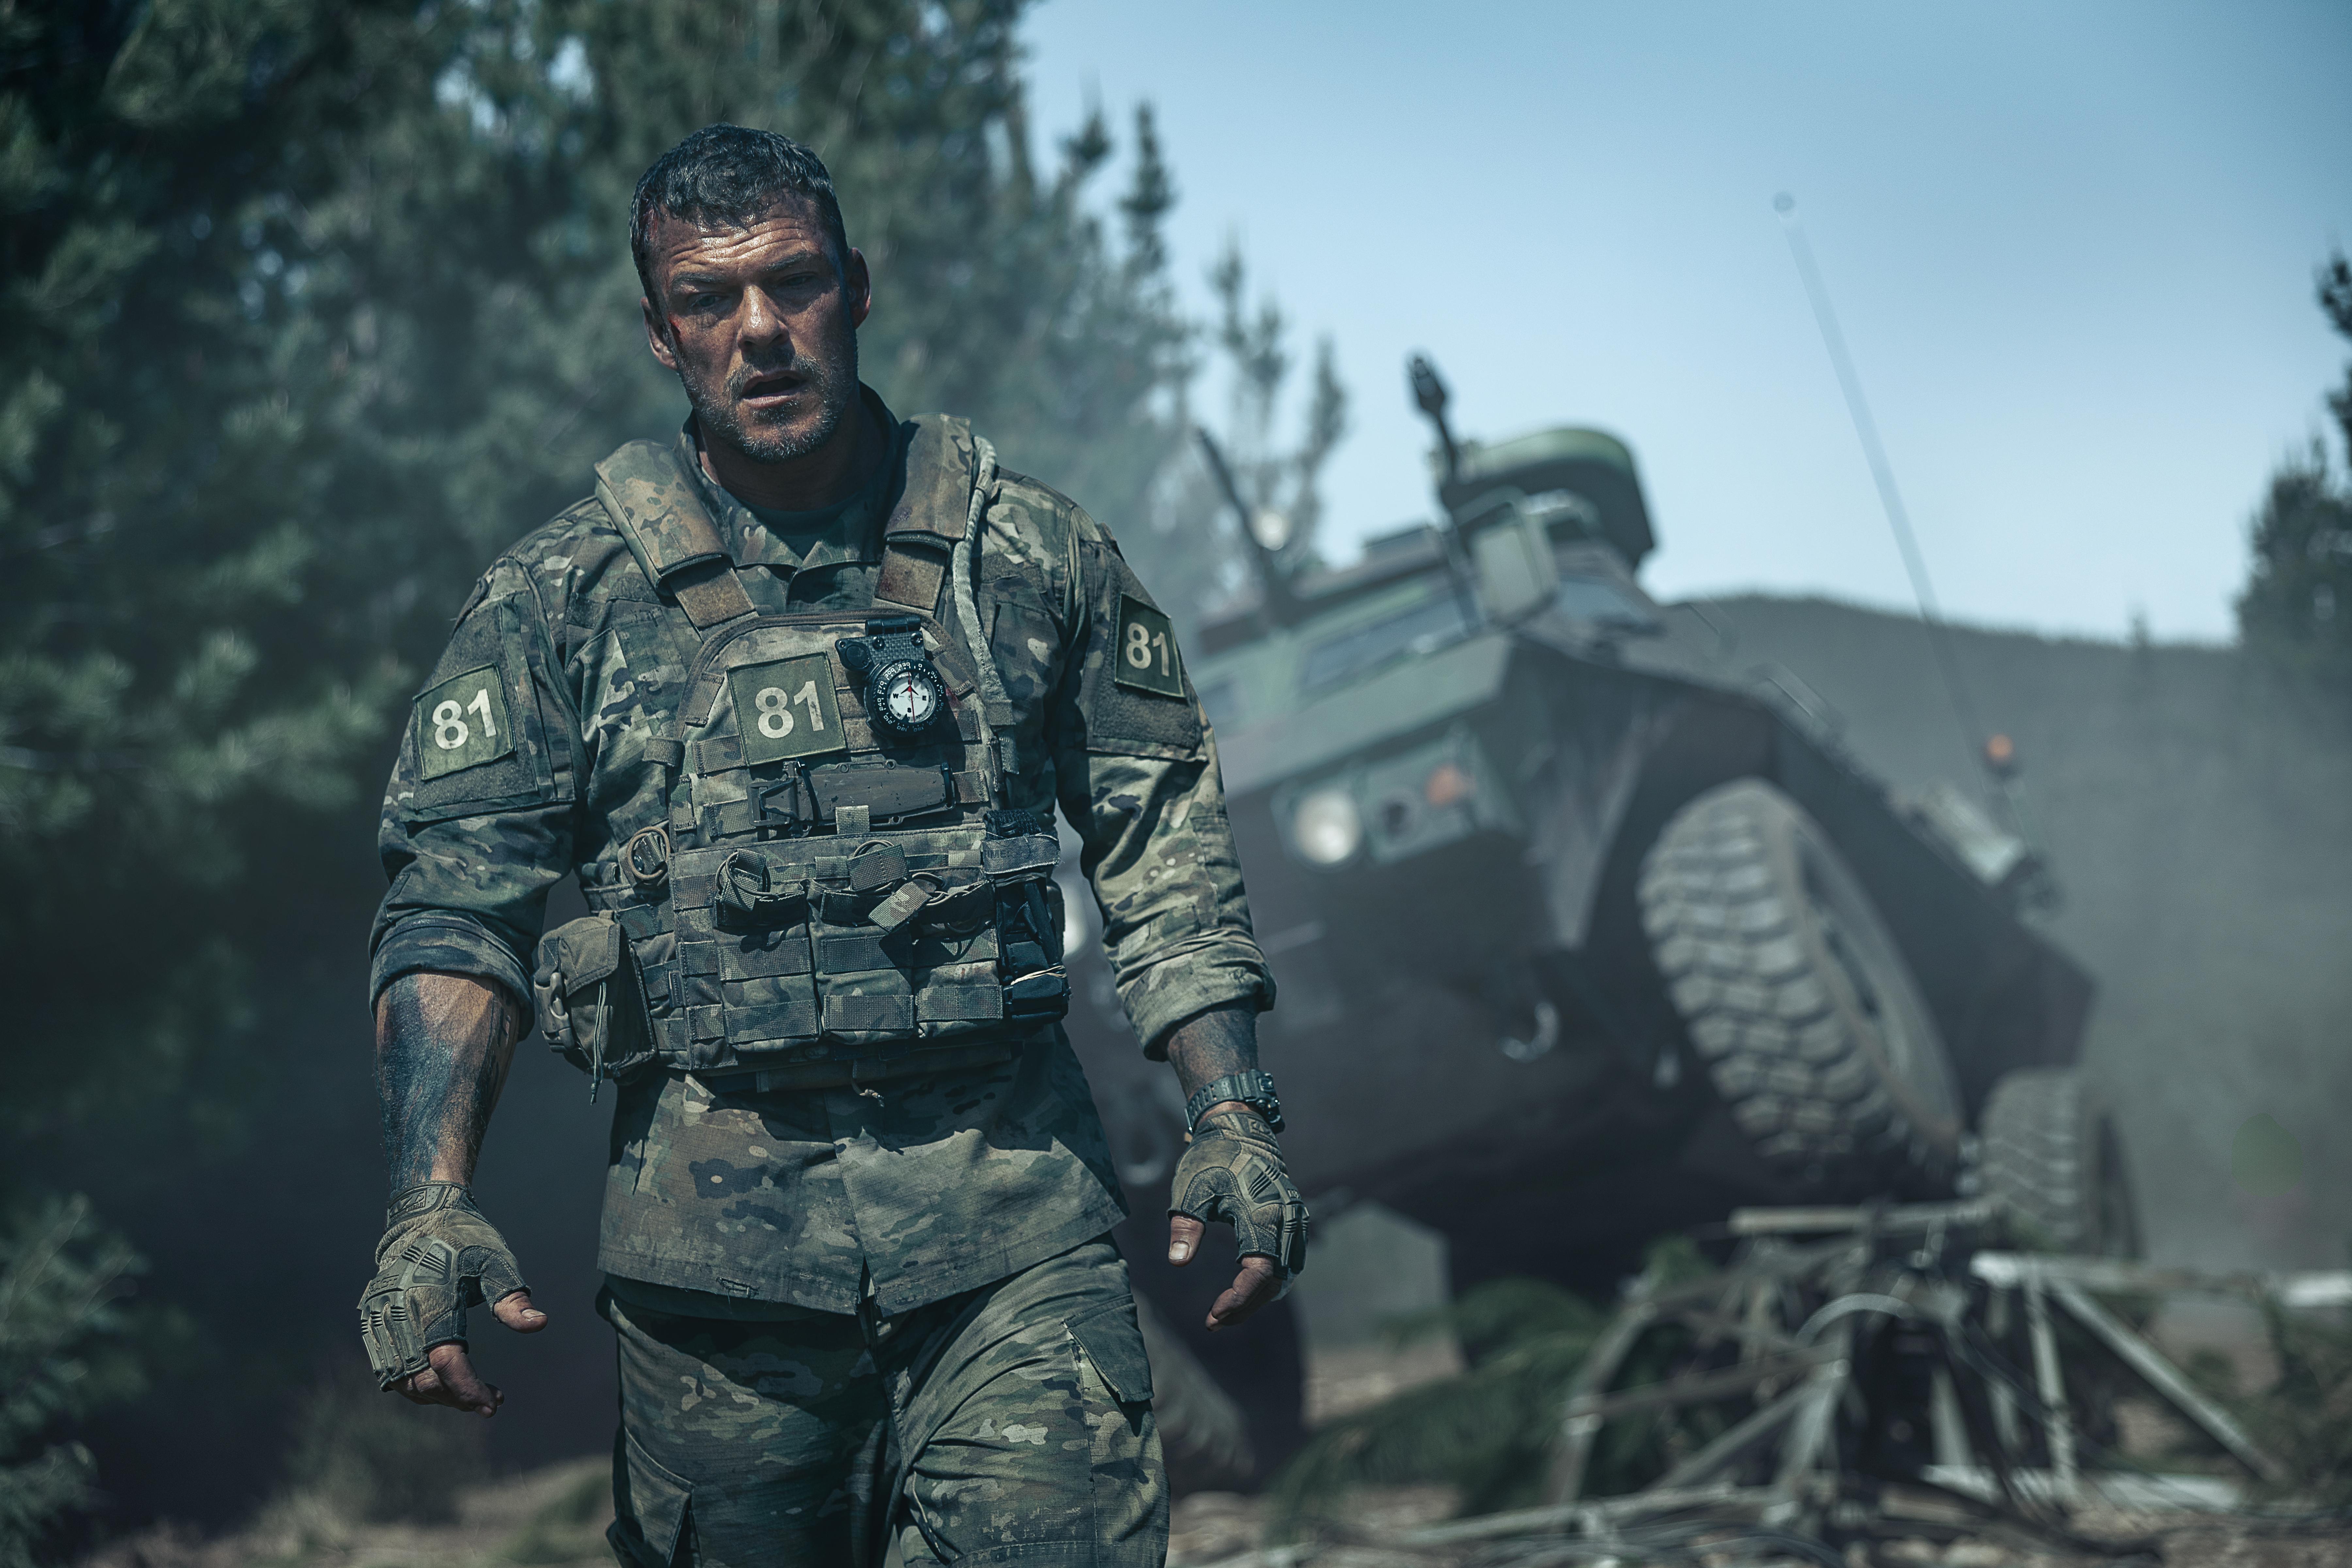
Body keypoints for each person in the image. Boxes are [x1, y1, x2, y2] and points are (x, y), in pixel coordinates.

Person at [357, 124, 1307, 1567]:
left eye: (793, 283)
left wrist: (1231, 1112)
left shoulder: (1030, 558)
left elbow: (1162, 838)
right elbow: (453, 912)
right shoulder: (561, 603)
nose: (759, 331)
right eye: (707, 299)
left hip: (1014, 1244)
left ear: (855, 288)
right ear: (660, 332)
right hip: (718, 1298)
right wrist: (427, 1207)